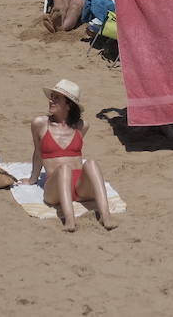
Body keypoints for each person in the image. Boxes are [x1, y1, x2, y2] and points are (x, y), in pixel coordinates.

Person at [24, 80, 116, 232]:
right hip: (55, 189)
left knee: (91, 163)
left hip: (80, 188)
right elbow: (38, 153)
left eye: (56, 98)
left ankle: (106, 216)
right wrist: (32, 179)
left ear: (69, 105)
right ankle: (69, 219)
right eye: (51, 97)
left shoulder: (81, 125)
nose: (51, 101)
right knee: (64, 168)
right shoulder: (40, 123)